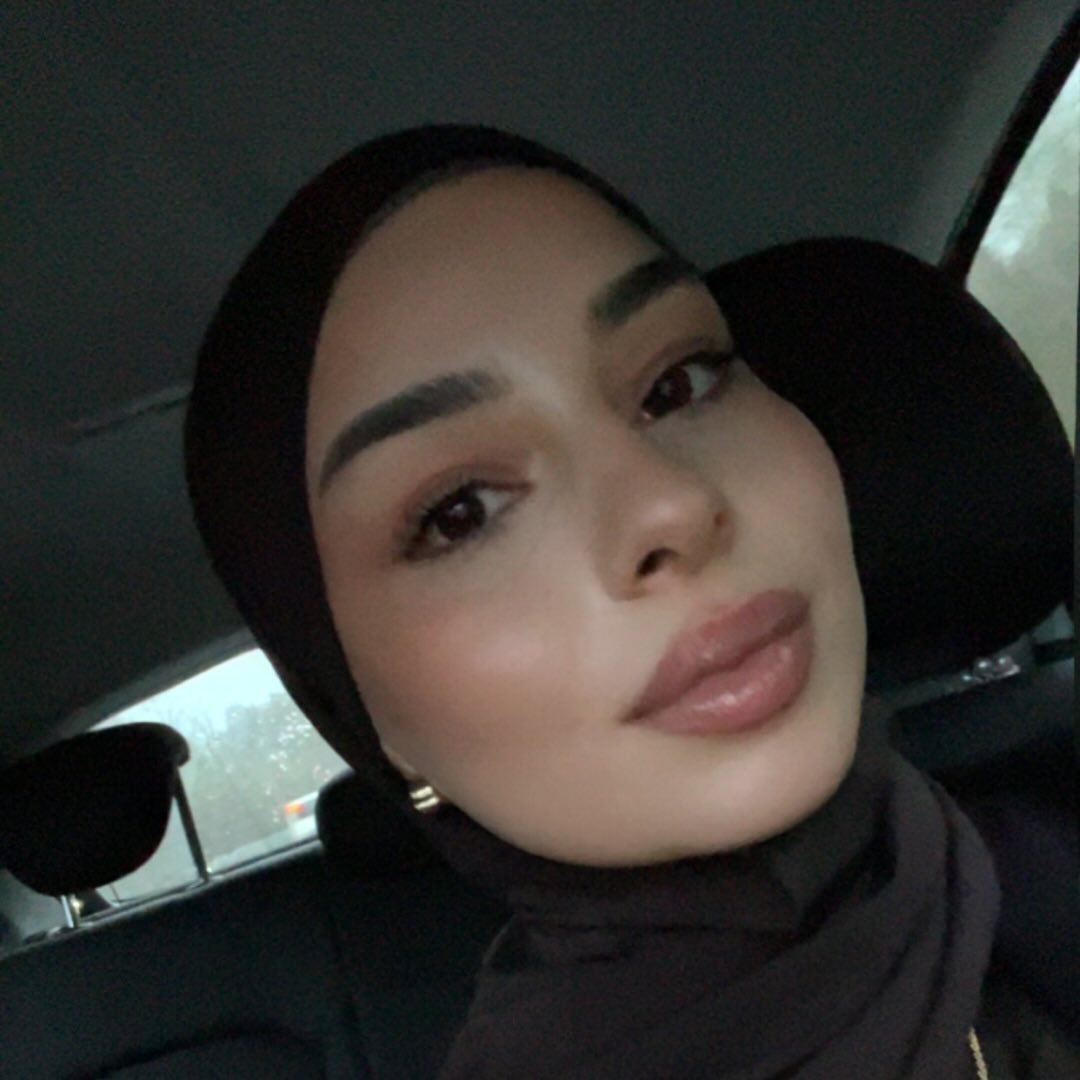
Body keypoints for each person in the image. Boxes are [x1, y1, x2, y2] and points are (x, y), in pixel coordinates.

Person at [184, 125, 1076, 1077]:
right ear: (371, 720)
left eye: (678, 382)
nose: (671, 504)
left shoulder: (1035, 836)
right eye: (460, 513)